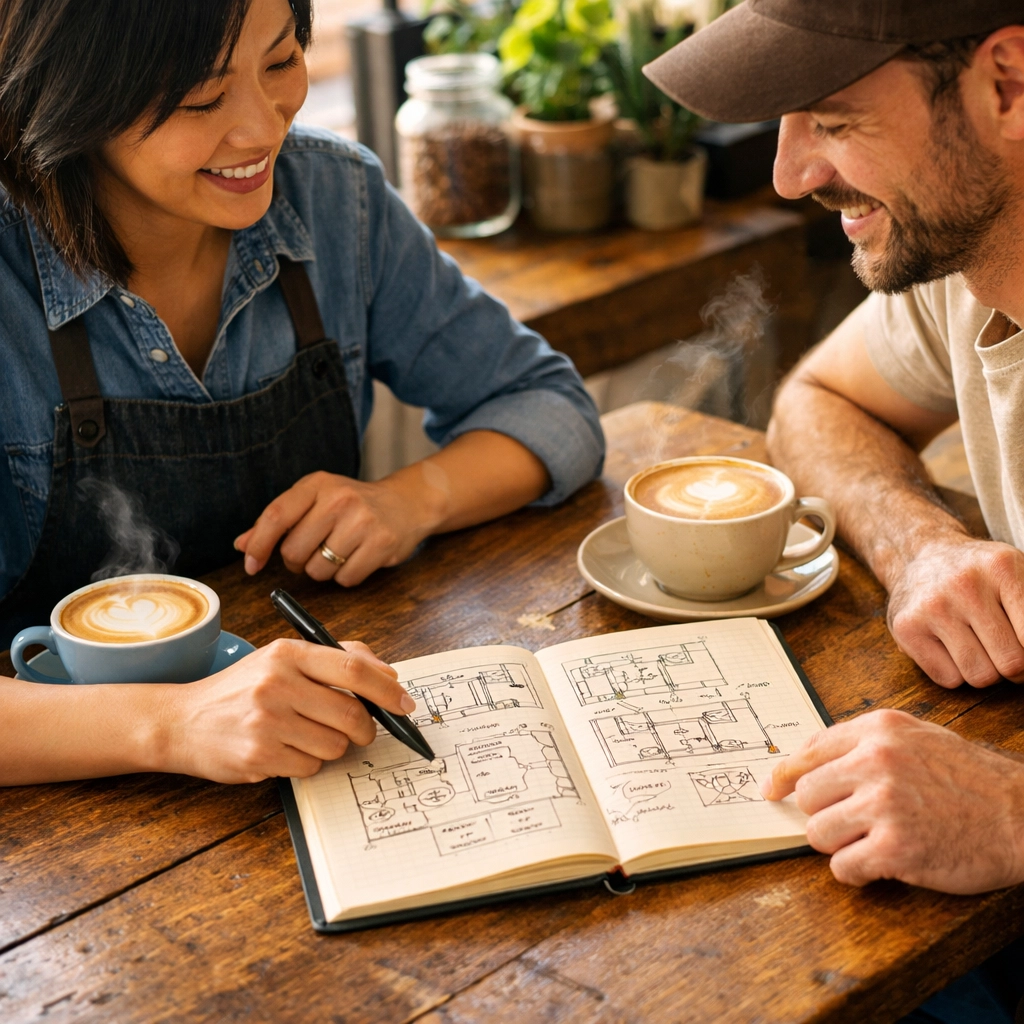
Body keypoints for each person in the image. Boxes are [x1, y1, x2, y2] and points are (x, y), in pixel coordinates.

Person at [0, 0, 603, 786]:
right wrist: (175, 723)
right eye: (200, 99)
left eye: (281, 63)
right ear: (71, 98)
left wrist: (412, 499)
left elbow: (550, 406)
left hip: (320, 753)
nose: (262, 129)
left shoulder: (333, 198)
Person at [645, 1, 1024, 1020]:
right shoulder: (966, 254)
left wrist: (1011, 815)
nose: (789, 174)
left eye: (832, 119)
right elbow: (815, 401)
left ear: (1005, 85)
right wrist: (919, 544)